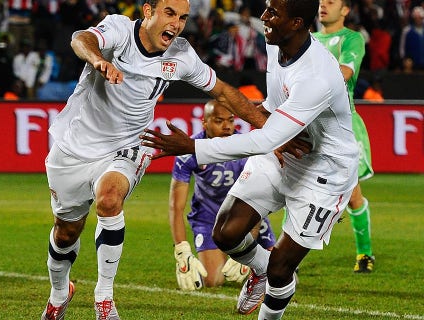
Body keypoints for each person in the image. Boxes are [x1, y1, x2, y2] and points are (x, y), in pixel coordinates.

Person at [39, 0, 272, 319]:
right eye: (170, 14)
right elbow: (81, 38)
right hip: (75, 145)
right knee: (66, 232)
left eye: (183, 18)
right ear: (148, 12)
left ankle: (104, 298)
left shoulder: (181, 55)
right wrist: (97, 60)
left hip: (129, 145)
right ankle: (59, 291)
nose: (176, 24)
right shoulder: (120, 30)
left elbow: (222, 92)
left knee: (109, 200)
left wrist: (271, 130)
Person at [140, 0, 358, 317]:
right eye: (266, 9)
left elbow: (267, 139)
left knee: (283, 268)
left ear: (297, 22)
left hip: (324, 174)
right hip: (285, 155)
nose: (264, 17)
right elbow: (272, 106)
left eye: (273, 13)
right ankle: (261, 271)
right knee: (226, 232)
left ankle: (272, 291)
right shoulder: (275, 43)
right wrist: (272, 123)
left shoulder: (317, 76)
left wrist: (194, 148)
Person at [169, 101, 276, 289]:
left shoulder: (248, 148)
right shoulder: (190, 150)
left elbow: (257, 196)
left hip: (246, 215)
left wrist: (247, 243)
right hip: (207, 218)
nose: (227, 126)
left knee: (278, 274)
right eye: (219, 121)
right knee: (213, 280)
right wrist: (181, 249)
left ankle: (256, 261)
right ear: (204, 123)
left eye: (230, 120)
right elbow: (175, 207)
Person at [313, 0, 376, 273]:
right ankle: (286, 257)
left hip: (342, 125)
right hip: (310, 125)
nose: (322, 5)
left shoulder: (352, 39)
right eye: (320, 1)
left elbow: (345, 73)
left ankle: (365, 254)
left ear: (346, 10)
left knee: (352, 195)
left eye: (331, 1)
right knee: (294, 189)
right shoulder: (308, 40)